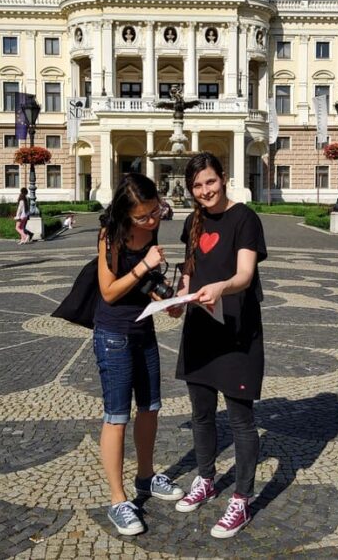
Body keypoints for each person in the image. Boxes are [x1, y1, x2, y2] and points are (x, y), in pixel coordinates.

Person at [168, 152, 267, 539]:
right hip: (200, 329)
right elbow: (189, 272)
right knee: (202, 414)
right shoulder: (193, 222)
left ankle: (241, 499)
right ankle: (206, 479)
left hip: (236, 330)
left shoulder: (244, 219)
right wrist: (178, 299)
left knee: (241, 421)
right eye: (197, 186)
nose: (205, 191)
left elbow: (244, 274)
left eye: (210, 182)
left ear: (222, 178)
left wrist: (221, 287)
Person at [93, 172, 184, 536]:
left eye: (155, 212)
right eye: (143, 217)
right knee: (117, 415)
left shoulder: (151, 229)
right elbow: (110, 291)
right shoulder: (109, 236)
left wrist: (168, 300)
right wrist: (145, 264)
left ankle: (146, 476)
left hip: (144, 329)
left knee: (150, 408)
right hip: (114, 334)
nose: (151, 221)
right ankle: (118, 500)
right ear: (125, 214)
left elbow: (146, 284)